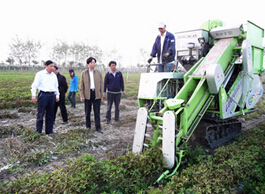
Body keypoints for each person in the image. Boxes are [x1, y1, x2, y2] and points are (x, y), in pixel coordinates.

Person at [31, 60, 59, 134]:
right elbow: (34, 85)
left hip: (52, 96)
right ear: (45, 66)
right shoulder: (40, 74)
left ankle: (49, 131)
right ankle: (38, 131)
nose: (52, 68)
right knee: (40, 114)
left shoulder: (54, 75)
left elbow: (56, 87)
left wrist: (57, 95)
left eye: (53, 66)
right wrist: (33, 95)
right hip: (43, 95)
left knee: (50, 114)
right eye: (51, 66)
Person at [80, 57, 104, 133]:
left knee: (97, 112)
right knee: (87, 112)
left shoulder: (98, 73)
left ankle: (98, 127)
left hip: (96, 94)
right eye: (92, 63)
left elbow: (101, 85)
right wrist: (82, 95)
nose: (93, 64)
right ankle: (88, 126)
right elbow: (81, 86)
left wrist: (101, 95)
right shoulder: (84, 73)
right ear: (88, 64)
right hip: (87, 94)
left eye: (94, 62)